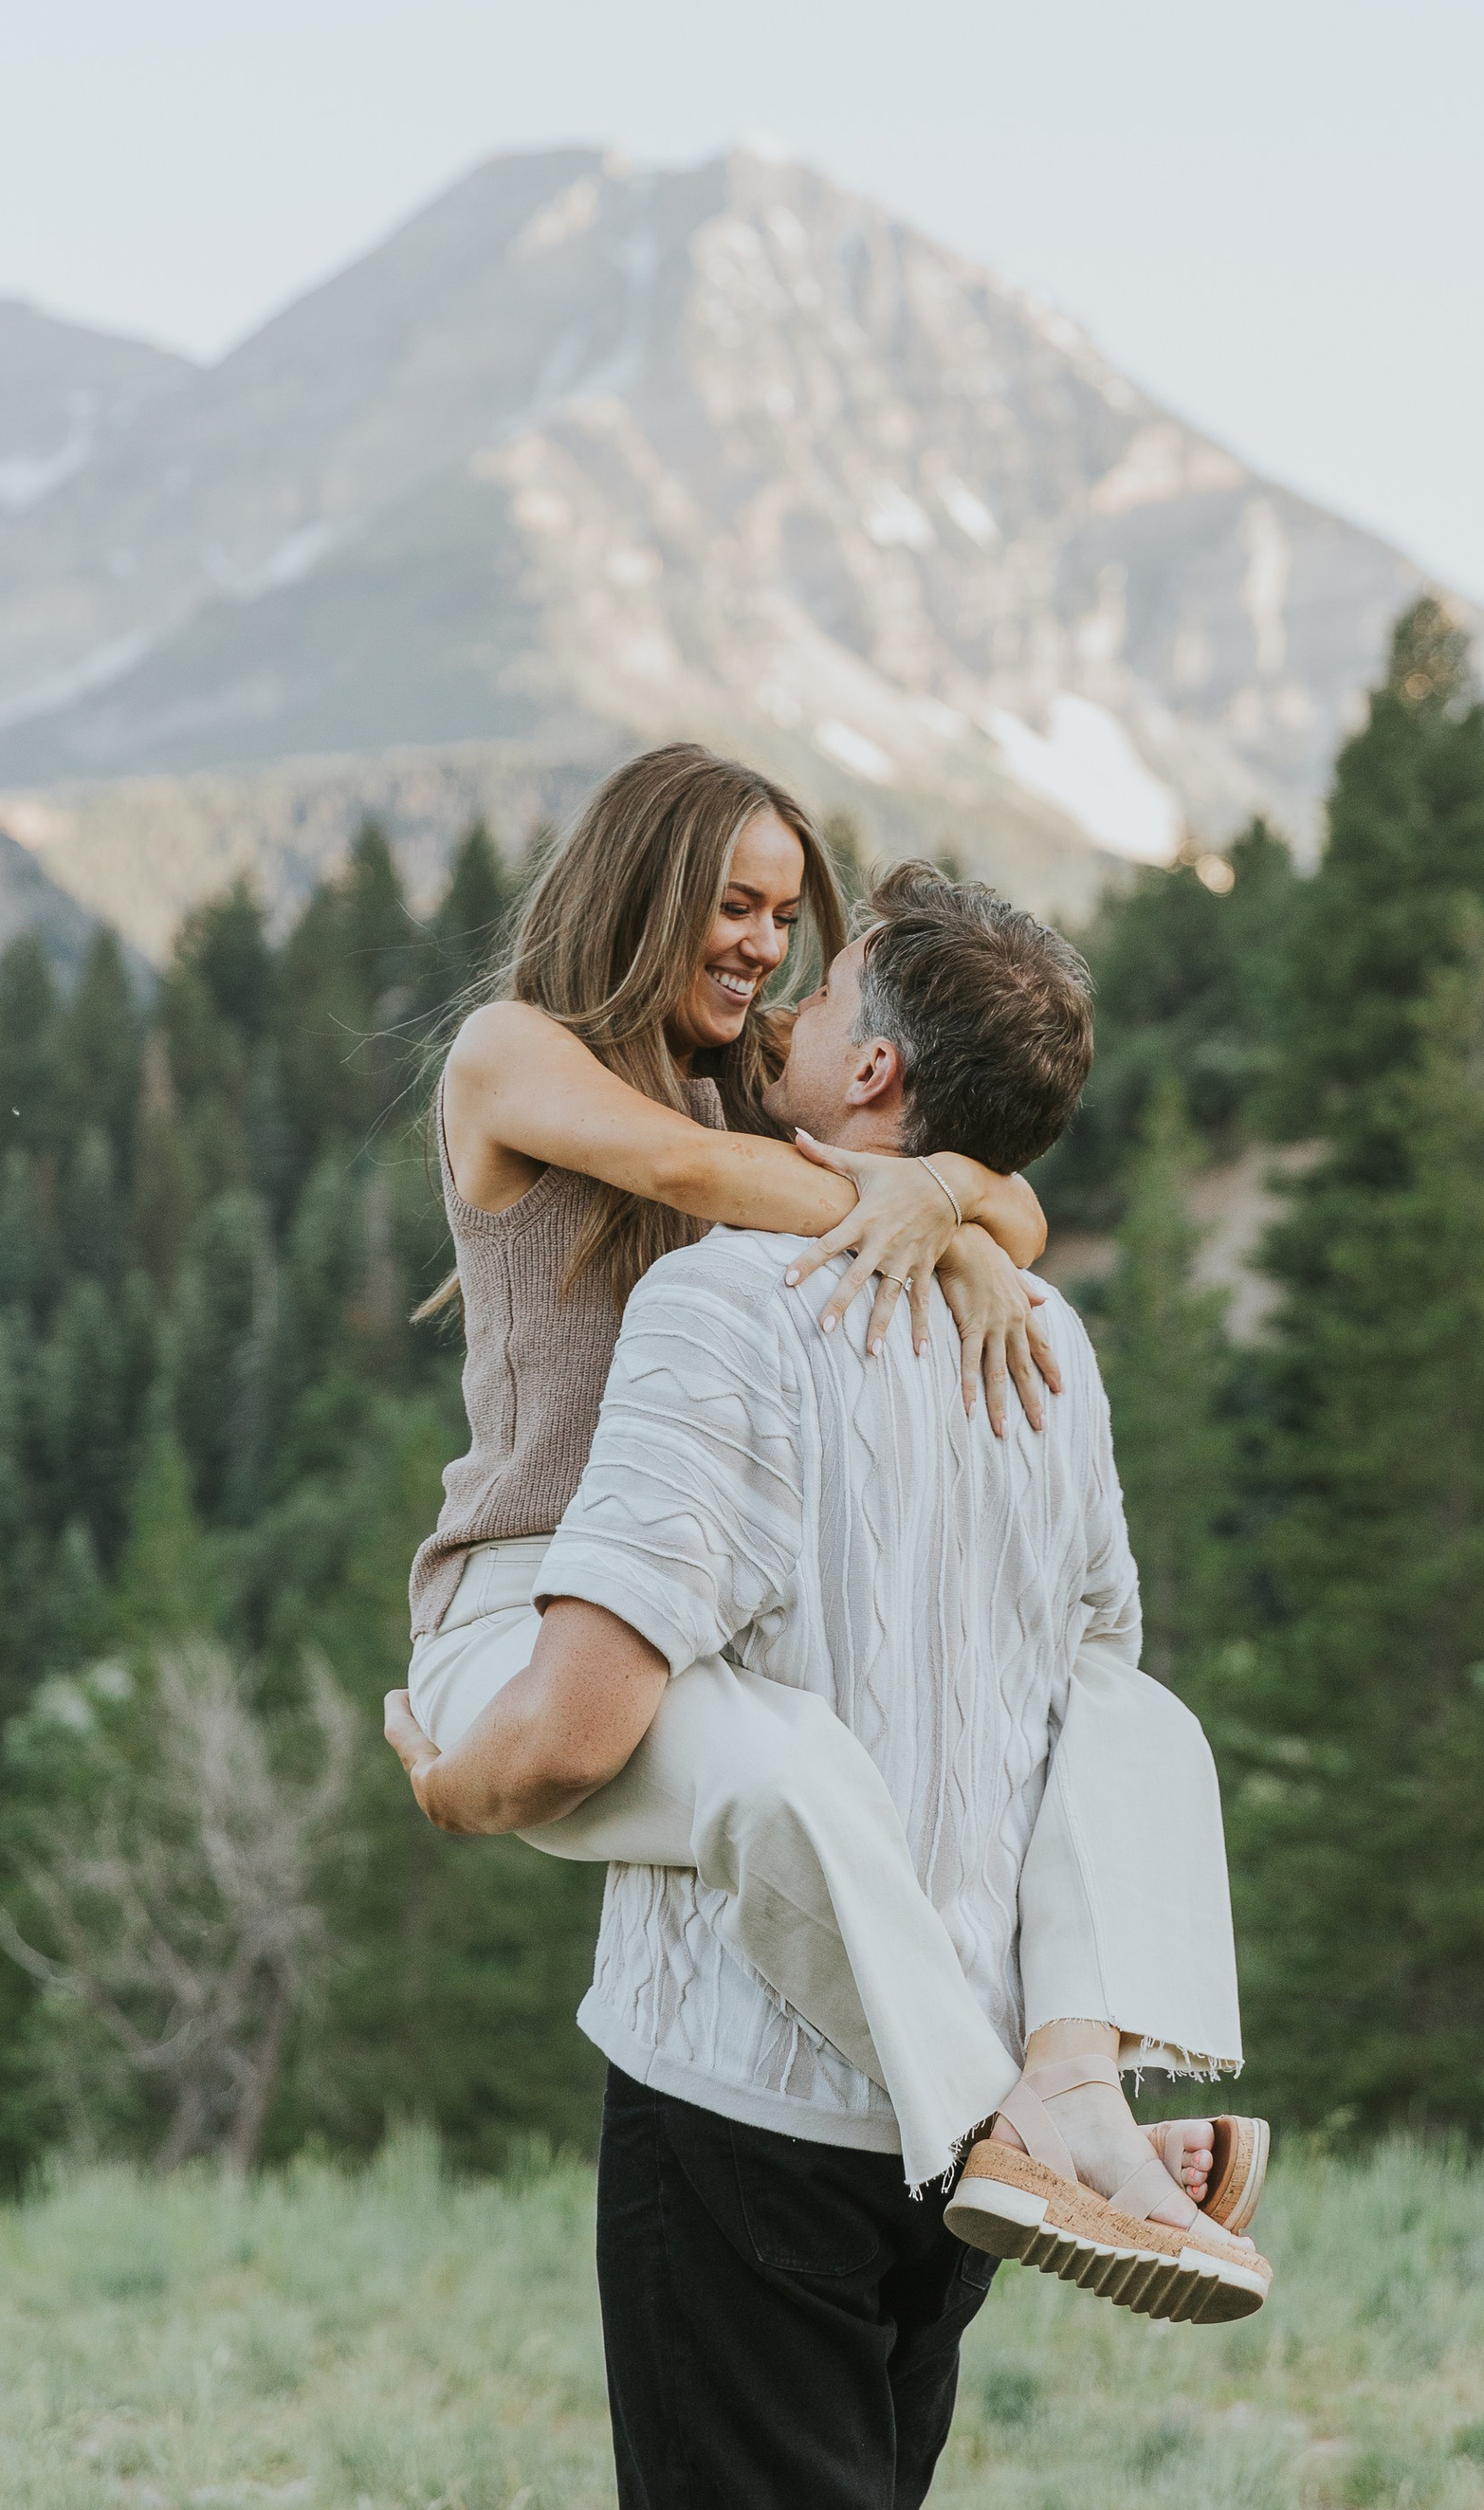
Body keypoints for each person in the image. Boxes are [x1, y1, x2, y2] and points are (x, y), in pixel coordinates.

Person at [387, 860, 1267, 2510]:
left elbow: (594, 1717)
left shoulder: (721, 1308)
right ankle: (1081, 2113)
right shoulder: (1037, 1332)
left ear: (869, 1070)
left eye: (820, 979)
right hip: (957, 2141)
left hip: (747, 2106)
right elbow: (1099, 1679)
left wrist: (455, 1779)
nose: (776, 995)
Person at [390, 743, 1263, 2241]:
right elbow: (697, 1177)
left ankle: (1080, 2090)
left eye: (786, 916)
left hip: (672, 1618)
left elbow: (1027, 1205)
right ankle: (1000, 2131)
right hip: (526, 1613)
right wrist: (935, 1196)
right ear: (644, 884)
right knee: (780, 1771)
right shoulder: (513, 1053)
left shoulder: (756, 1094)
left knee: (1117, 1726)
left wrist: (963, 1196)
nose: (760, 944)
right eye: (732, 902)